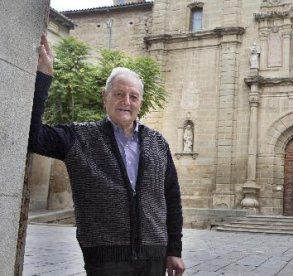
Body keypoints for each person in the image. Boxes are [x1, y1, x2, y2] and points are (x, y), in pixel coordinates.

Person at [30, 34, 185, 276]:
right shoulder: (80, 138)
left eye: (133, 96)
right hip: (105, 261)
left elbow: (171, 199)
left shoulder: (158, 144)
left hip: (154, 260)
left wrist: (174, 250)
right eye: (119, 94)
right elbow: (33, 137)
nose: (126, 101)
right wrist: (43, 78)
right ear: (105, 97)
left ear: (140, 102)